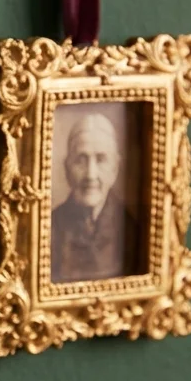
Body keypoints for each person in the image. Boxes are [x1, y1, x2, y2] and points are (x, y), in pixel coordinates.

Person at [51, 113, 139, 282]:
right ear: (67, 168)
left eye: (101, 160)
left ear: (115, 168)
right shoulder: (49, 227)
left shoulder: (132, 229)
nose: (90, 174)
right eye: (81, 160)